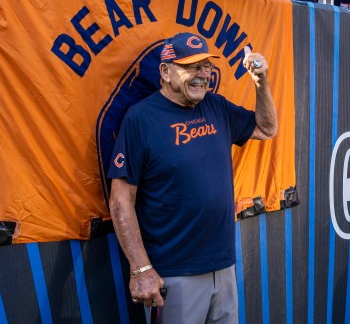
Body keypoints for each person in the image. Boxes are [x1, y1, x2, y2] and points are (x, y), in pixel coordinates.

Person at [108, 32, 277, 323]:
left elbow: (266, 128)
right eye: (191, 67)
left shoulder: (216, 106)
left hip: (222, 266)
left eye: (206, 66)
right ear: (165, 71)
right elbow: (121, 200)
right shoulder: (140, 118)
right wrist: (140, 268)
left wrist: (261, 82)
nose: (202, 76)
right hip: (173, 274)